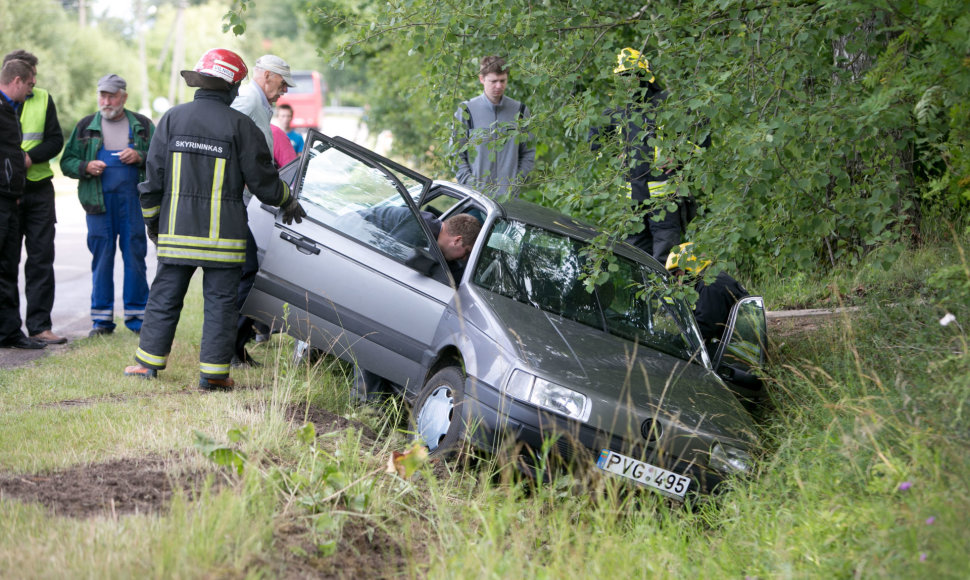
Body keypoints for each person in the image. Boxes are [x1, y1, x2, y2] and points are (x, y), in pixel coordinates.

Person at [122, 48, 305, 391]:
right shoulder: (242, 126)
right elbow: (264, 182)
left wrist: (154, 224)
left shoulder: (172, 119)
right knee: (221, 304)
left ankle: (147, 364)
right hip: (225, 238)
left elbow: (151, 182)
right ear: (233, 86)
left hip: (177, 233)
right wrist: (287, 199)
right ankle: (214, 374)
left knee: (164, 296)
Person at [591, 48, 708, 265]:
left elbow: (701, 133)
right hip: (632, 204)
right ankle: (646, 300)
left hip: (665, 202)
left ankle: (667, 299)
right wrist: (613, 154)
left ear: (645, 75)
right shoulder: (616, 112)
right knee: (636, 262)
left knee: (665, 261)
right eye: (622, 76)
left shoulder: (666, 103)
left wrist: (681, 157)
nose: (627, 81)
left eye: (631, 75)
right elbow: (594, 143)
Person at [60, 74, 154, 337]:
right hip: (98, 204)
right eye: (102, 94)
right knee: (102, 260)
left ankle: (138, 319)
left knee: (135, 258)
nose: (106, 100)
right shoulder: (85, 126)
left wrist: (140, 156)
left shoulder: (143, 126)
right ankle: (101, 321)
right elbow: (66, 162)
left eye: (112, 95)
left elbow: (161, 159)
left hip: (133, 203)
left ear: (124, 96)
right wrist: (85, 166)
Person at [230, 54, 297, 367]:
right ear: (267, 76)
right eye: (282, 83)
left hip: (241, 199)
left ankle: (232, 347)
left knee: (244, 272)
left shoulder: (258, 103)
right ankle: (229, 348)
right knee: (245, 272)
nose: (284, 91)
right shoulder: (247, 102)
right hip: (233, 199)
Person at [3, 50, 65, 345]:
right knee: (7, 262)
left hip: (38, 188)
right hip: (7, 193)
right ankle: (9, 328)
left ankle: (40, 325)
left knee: (41, 259)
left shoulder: (42, 98)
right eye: (30, 77)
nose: (34, 83)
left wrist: (29, 158)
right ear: (15, 76)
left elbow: (55, 140)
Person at [0, 59, 45, 350]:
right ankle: (8, 332)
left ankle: (8, 331)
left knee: (7, 267)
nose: (30, 91)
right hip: (2, 200)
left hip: (9, 199)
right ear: (16, 80)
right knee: (4, 267)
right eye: (29, 84)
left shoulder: (8, 109)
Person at [452, 55, 535, 198]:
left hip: (508, 200)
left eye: (502, 81)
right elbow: (455, 154)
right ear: (481, 79)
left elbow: (528, 153)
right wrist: (472, 185)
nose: (499, 86)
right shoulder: (466, 111)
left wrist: (516, 183)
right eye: (493, 81)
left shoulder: (520, 111)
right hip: (474, 198)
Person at [665, 242, 748, 350]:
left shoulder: (711, 286)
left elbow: (703, 330)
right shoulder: (712, 280)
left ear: (691, 266)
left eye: (678, 273)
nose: (677, 280)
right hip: (735, 345)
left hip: (739, 351)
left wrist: (671, 343)